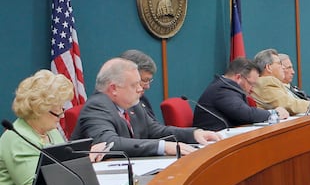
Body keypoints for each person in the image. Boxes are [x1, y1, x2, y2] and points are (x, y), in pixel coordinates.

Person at [71, 58, 221, 157]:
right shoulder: (97, 106)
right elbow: (109, 143)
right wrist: (164, 147)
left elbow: (155, 130)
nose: (140, 89)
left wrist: (194, 134)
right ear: (114, 88)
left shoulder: (132, 104)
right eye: (134, 85)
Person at [0, 70, 106, 185]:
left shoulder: (51, 131)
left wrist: (86, 158)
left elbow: (64, 165)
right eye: (58, 110)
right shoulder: (17, 139)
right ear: (39, 110)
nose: (62, 115)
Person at [192, 58, 283, 130]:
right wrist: (274, 113)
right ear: (238, 77)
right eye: (251, 84)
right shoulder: (223, 89)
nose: (252, 89)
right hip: (213, 141)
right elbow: (245, 114)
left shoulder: (224, 85)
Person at [120, 49, 158, 120]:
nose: (147, 87)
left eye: (149, 81)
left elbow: (153, 125)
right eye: (145, 80)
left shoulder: (142, 100)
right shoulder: (106, 106)